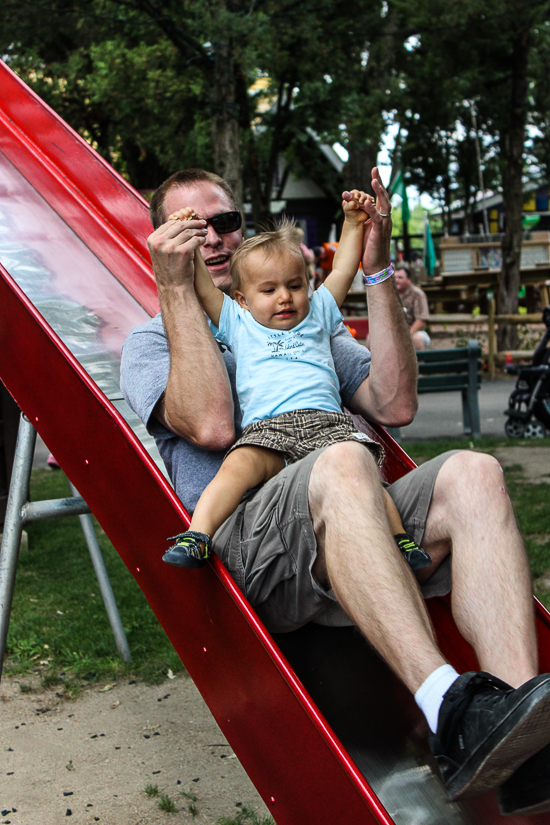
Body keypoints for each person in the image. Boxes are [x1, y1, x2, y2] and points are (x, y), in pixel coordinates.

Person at [120, 166, 550, 815]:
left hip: (354, 512)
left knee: (475, 473)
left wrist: (376, 271)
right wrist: (176, 287)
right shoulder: (151, 341)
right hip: (251, 550)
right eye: (188, 226)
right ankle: (448, 707)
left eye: (224, 221)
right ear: (160, 240)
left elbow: (394, 402)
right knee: (346, 457)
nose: (210, 237)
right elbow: (211, 423)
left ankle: (522, 734)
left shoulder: (301, 318)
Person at [161, 195, 430, 573]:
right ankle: (197, 535)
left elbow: (343, 269)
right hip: (266, 431)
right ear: (242, 299)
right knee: (235, 469)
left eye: (294, 285)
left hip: (327, 426)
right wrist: (189, 242)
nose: (285, 297)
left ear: (308, 285)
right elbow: (204, 288)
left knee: (364, 475)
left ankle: (399, 538)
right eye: (269, 290)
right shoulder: (237, 322)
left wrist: (353, 223)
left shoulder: (318, 312)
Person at [394, 264, 431, 350]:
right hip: (394, 332)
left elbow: (421, 320)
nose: (396, 280)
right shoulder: (390, 294)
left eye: (400, 277)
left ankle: (419, 359)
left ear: (409, 279)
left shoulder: (418, 294)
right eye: (394, 277)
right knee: (371, 338)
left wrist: (407, 335)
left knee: (416, 339)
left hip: (415, 332)